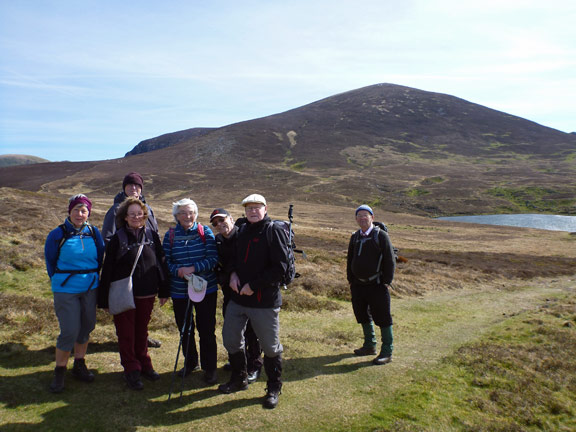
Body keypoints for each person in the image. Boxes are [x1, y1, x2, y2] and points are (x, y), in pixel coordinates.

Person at [219, 194, 288, 409]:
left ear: (265, 209)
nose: (253, 211)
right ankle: (239, 378)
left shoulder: (273, 231)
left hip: (264, 302)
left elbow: (280, 268)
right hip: (238, 300)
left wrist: (253, 285)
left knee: (270, 347)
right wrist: (231, 275)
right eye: (249, 208)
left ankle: (274, 388)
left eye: (257, 207)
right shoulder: (243, 231)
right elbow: (232, 259)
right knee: (230, 338)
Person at [98, 197, 170, 390]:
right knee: (126, 333)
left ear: (144, 215)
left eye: (139, 213)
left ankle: (144, 364)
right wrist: (103, 298)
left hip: (147, 293)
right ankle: (131, 369)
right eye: (132, 214)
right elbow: (108, 269)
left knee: (141, 331)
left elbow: (161, 262)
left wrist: (164, 289)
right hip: (124, 294)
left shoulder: (152, 235)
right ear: (125, 217)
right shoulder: (117, 239)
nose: (136, 217)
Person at [44, 194, 105, 393]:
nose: (80, 214)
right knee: (69, 330)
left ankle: (79, 364)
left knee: (86, 327)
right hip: (65, 289)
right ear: (69, 212)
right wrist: (59, 282)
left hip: (90, 288)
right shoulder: (57, 234)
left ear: (89, 213)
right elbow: (50, 262)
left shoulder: (94, 233)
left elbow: (101, 258)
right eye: (76, 210)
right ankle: (60, 371)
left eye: (84, 210)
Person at [101, 171, 162, 348]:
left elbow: (155, 233)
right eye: (130, 185)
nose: (134, 188)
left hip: (146, 270)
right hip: (126, 269)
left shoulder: (147, 209)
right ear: (124, 188)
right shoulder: (115, 210)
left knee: (143, 309)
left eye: (137, 185)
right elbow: (107, 237)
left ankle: (142, 338)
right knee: (126, 306)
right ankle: (128, 341)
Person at [163, 198, 219, 385]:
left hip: (206, 289)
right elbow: (165, 261)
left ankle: (210, 367)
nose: (188, 216)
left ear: (196, 214)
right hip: (180, 291)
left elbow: (213, 259)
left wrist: (193, 268)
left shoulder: (205, 232)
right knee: (185, 329)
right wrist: (177, 271)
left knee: (206, 329)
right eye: (183, 213)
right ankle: (191, 362)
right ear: (176, 216)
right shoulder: (170, 235)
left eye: (191, 212)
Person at [210, 208, 263, 383]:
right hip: (230, 294)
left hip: (249, 292)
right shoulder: (217, 241)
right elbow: (220, 265)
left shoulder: (245, 236)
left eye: (222, 220)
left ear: (231, 219)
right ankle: (238, 362)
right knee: (233, 330)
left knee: (252, 331)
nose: (219, 224)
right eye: (215, 223)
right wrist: (227, 277)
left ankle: (254, 364)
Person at [346, 204, 396, 365]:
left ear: (372, 217)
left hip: (377, 284)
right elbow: (350, 259)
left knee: (383, 317)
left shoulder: (381, 236)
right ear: (356, 219)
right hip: (358, 285)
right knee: (362, 315)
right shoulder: (355, 237)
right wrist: (350, 280)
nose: (362, 218)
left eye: (365, 215)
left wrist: (386, 282)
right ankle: (369, 346)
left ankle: (387, 352)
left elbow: (390, 260)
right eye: (359, 215)